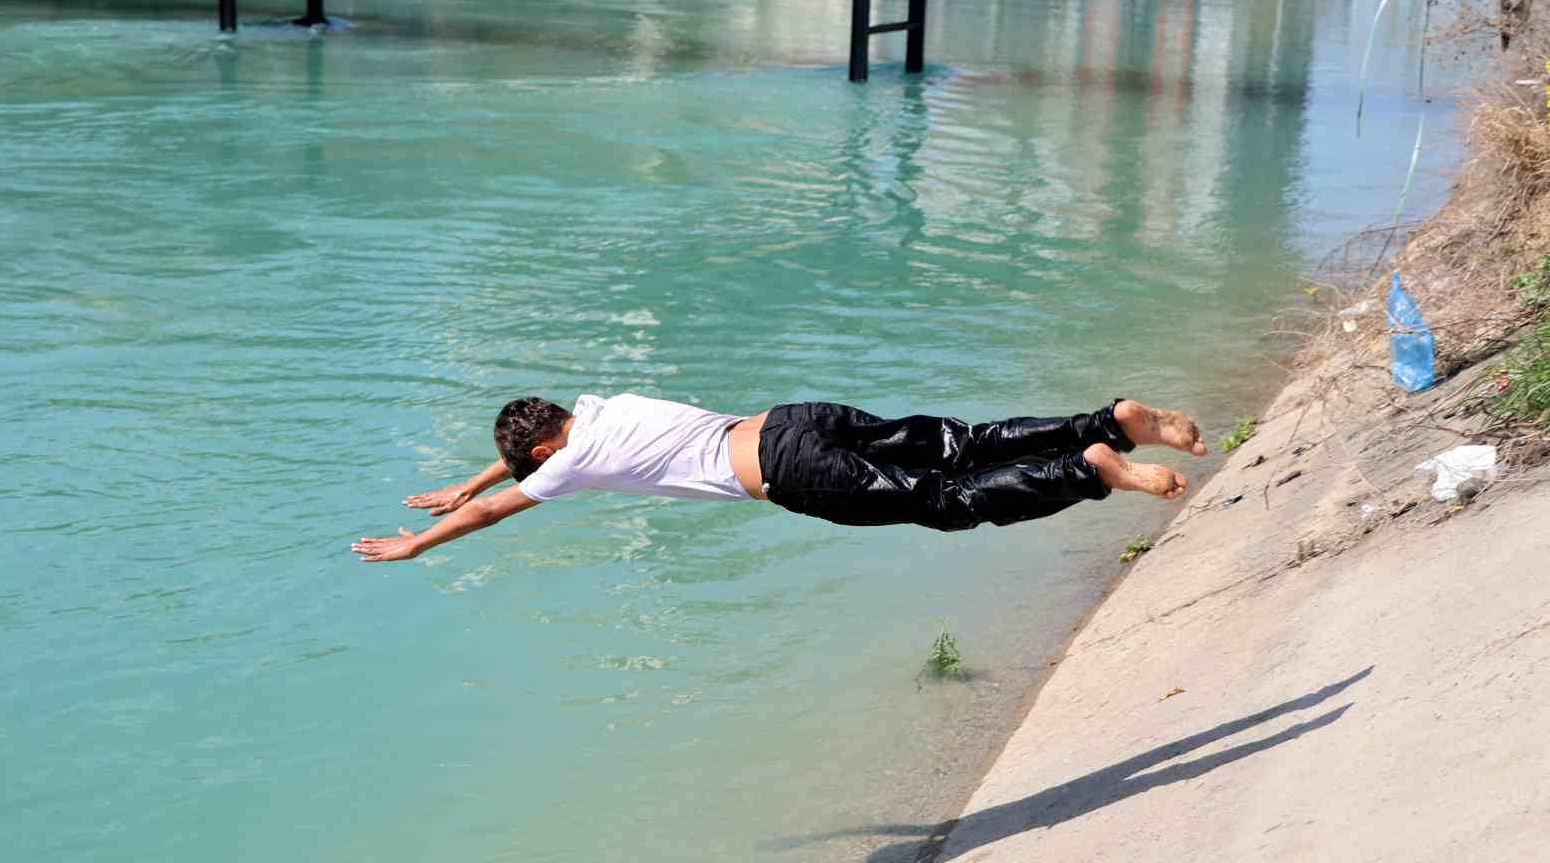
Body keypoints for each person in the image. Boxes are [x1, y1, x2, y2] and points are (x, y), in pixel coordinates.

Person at [351, 393, 1205, 563]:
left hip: (793, 468)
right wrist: (471, 476)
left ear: (543, 454)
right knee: (963, 442)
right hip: (796, 417)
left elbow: (500, 511)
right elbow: (521, 455)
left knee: (947, 505)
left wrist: (420, 541)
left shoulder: (570, 466)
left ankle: (1090, 471)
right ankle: (1108, 418)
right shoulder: (596, 407)